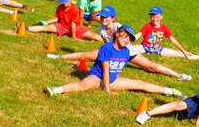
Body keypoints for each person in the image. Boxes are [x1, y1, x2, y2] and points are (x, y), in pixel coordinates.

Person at [48, 6, 192, 82]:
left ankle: (179, 75)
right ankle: (59, 57)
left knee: (151, 66)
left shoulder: (119, 28)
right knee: (86, 55)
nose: (103, 19)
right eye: (102, 16)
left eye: (107, 17)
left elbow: (126, 44)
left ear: (113, 18)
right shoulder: (101, 29)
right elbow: (107, 44)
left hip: (128, 52)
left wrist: (120, 61)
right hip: (113, 53)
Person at [46, 25, 188, 99]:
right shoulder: (107, 48)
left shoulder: (126, 52)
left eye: (129, 39)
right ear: (117, 35)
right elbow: (105, 70)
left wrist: (113, 82)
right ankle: (57, 89)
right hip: (98, 78)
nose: (127, 40)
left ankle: (171, 91)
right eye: (124, 36)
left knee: (140, 84)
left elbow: (118, 69)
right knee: (83, 85)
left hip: (112, 80)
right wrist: (108, 90)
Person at [133, 6, 199, 61]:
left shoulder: (164, 28)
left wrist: (183, 50)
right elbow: (137, 35)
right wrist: (129, 40)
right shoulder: (147, 26)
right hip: (145, 47)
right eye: (152, 16)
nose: (154, 19)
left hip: (157, 49)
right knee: (129, 49)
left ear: (161, 17)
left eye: (156, 16)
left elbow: (172, 40)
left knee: (181, 54)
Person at [27, 0, 102, 41]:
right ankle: (26, 28)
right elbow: (57, 18)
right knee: (45, 28)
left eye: (66, 2)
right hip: (62, 26)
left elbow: (73, 24)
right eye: (63, 2)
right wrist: (47, 22)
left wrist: (74, 37)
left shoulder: (75, 8)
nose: (64, 4)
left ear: (71, 0)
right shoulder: (60, 7)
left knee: (93, 35)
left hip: (76, 28)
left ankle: (107, 41)